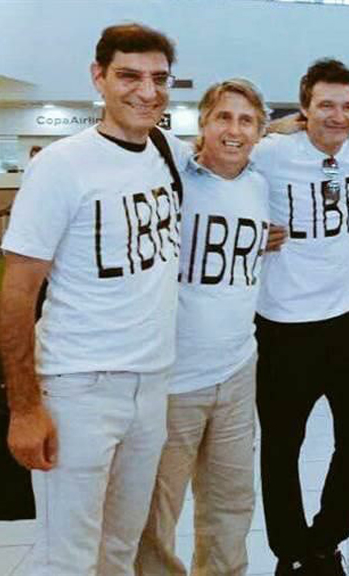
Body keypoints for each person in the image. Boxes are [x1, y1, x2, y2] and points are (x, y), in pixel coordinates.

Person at [0, 23, 181, 575]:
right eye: (129, 76)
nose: (146, 91)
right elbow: (17, 293)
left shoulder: (165, 151)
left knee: (119, 548)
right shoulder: (60, 165)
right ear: (98, 77)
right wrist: (24, 408)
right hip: (79, 387)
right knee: (69, 559)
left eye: (159, 79)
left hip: (151, 382)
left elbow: (237, 146)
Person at [252, 58, 349, 576]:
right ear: (304, 109)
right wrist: (252, 227)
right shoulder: (271, 153)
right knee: (281, 448)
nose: (338, 117)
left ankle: (326, 539)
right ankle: (290, 550)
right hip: (283, 327)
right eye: (325, 106)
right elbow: (214, 163)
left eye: (348, 106)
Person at [135, 78, 274, 576]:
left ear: (260, 131)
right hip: (174, 376)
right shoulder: (172, 176)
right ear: (204, 123)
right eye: (223, 118)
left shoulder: (260, 186)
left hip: (237, 370)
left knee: (231, 504)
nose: (234, 130)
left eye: (246, 121)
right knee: (157, 509)